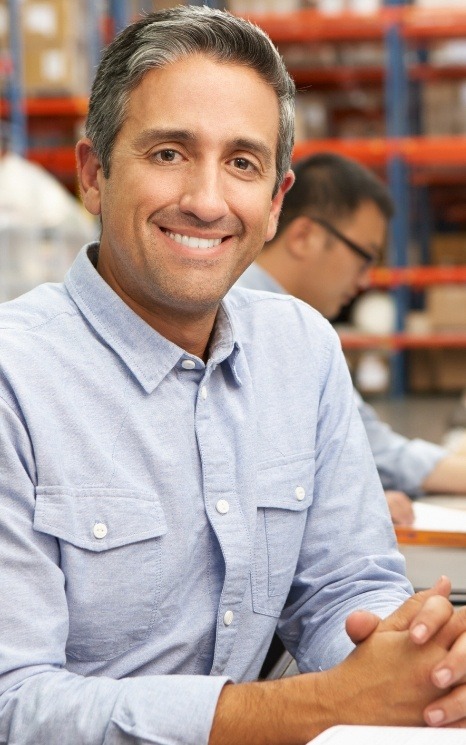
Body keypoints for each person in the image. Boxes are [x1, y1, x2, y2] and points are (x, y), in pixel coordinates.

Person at [1, 7, 466, 744]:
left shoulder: (302, 351)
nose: (208, 200)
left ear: (277, 203)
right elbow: (14, 703)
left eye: (242, 163)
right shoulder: (15, 380)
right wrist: (323, 703)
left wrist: (411, 660)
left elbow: (345, 584)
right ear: (94, 175)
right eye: (168, 153)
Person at [237, 152, 466, 526]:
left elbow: (359, 441)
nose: (364, 282)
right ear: (304, 236)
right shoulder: (253, 322)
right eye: (364, 258)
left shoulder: (299, 329)